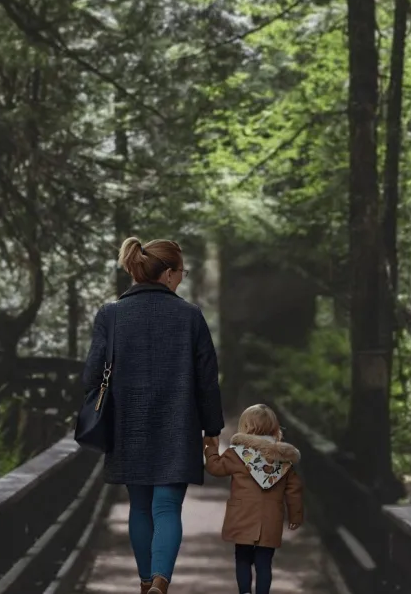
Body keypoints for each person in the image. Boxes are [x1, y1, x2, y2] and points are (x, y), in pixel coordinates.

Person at [82, 237, 224, 594]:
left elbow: (90, 377)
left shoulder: (110, 316)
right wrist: (212, 431)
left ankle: (146, 583)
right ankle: (162, 578)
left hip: (128, 424)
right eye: (181, 272)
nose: (181, 279)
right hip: (178, 423)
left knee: (140, 507)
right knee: (167, 508)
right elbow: (207, 379)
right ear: (169, 274)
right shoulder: (190, 316)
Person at [203, 404, 304, 594]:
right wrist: (295, 516)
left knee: (242, 559)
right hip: (270, 520)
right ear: (274, 428)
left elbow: (215, 468)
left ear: (246, 427)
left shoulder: (237, 454)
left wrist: (210, 447)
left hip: (242, 516)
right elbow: (294, 490)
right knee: (264, 563)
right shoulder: (283, 458)